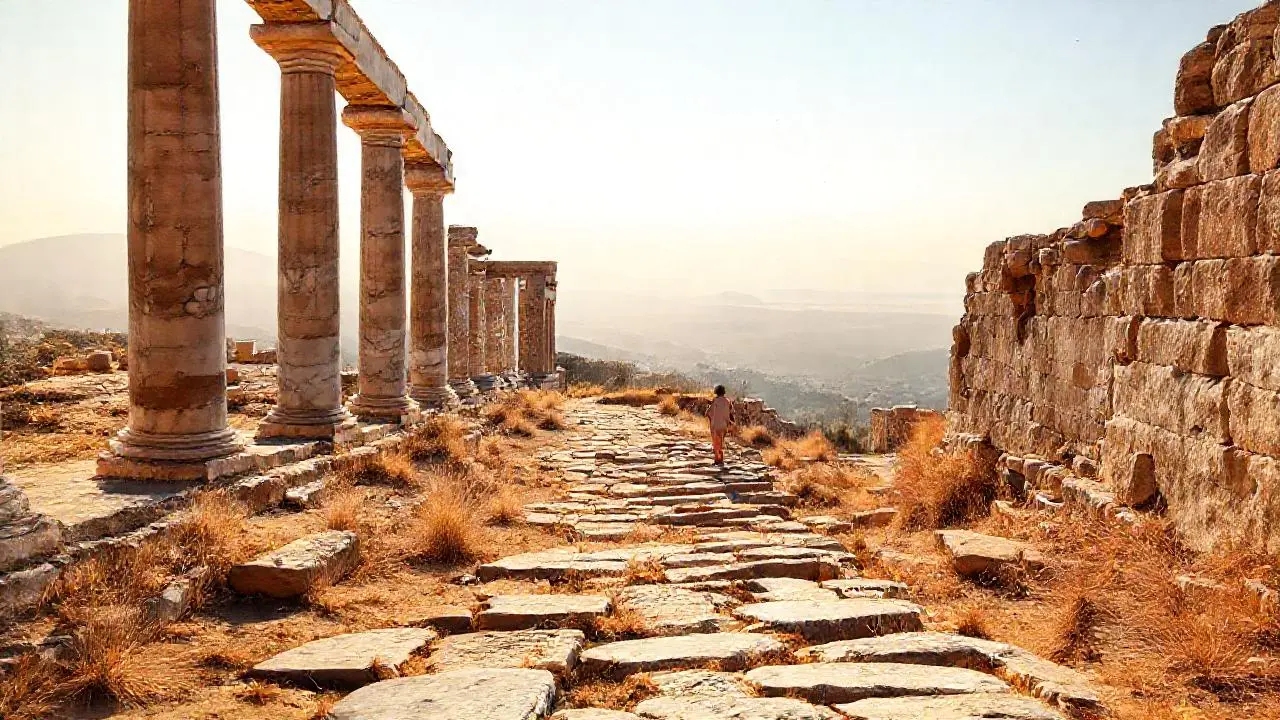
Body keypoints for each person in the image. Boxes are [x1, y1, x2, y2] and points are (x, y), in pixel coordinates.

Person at [707, 384, 732, 465]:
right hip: (724, 425)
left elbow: (708, 413)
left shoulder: (715, 401)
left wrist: (711, 420)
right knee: (721, 442)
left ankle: (718, 459)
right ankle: (720, 459)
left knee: (716, 443)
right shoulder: (728, 401)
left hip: (716, 425)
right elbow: (730, 413)